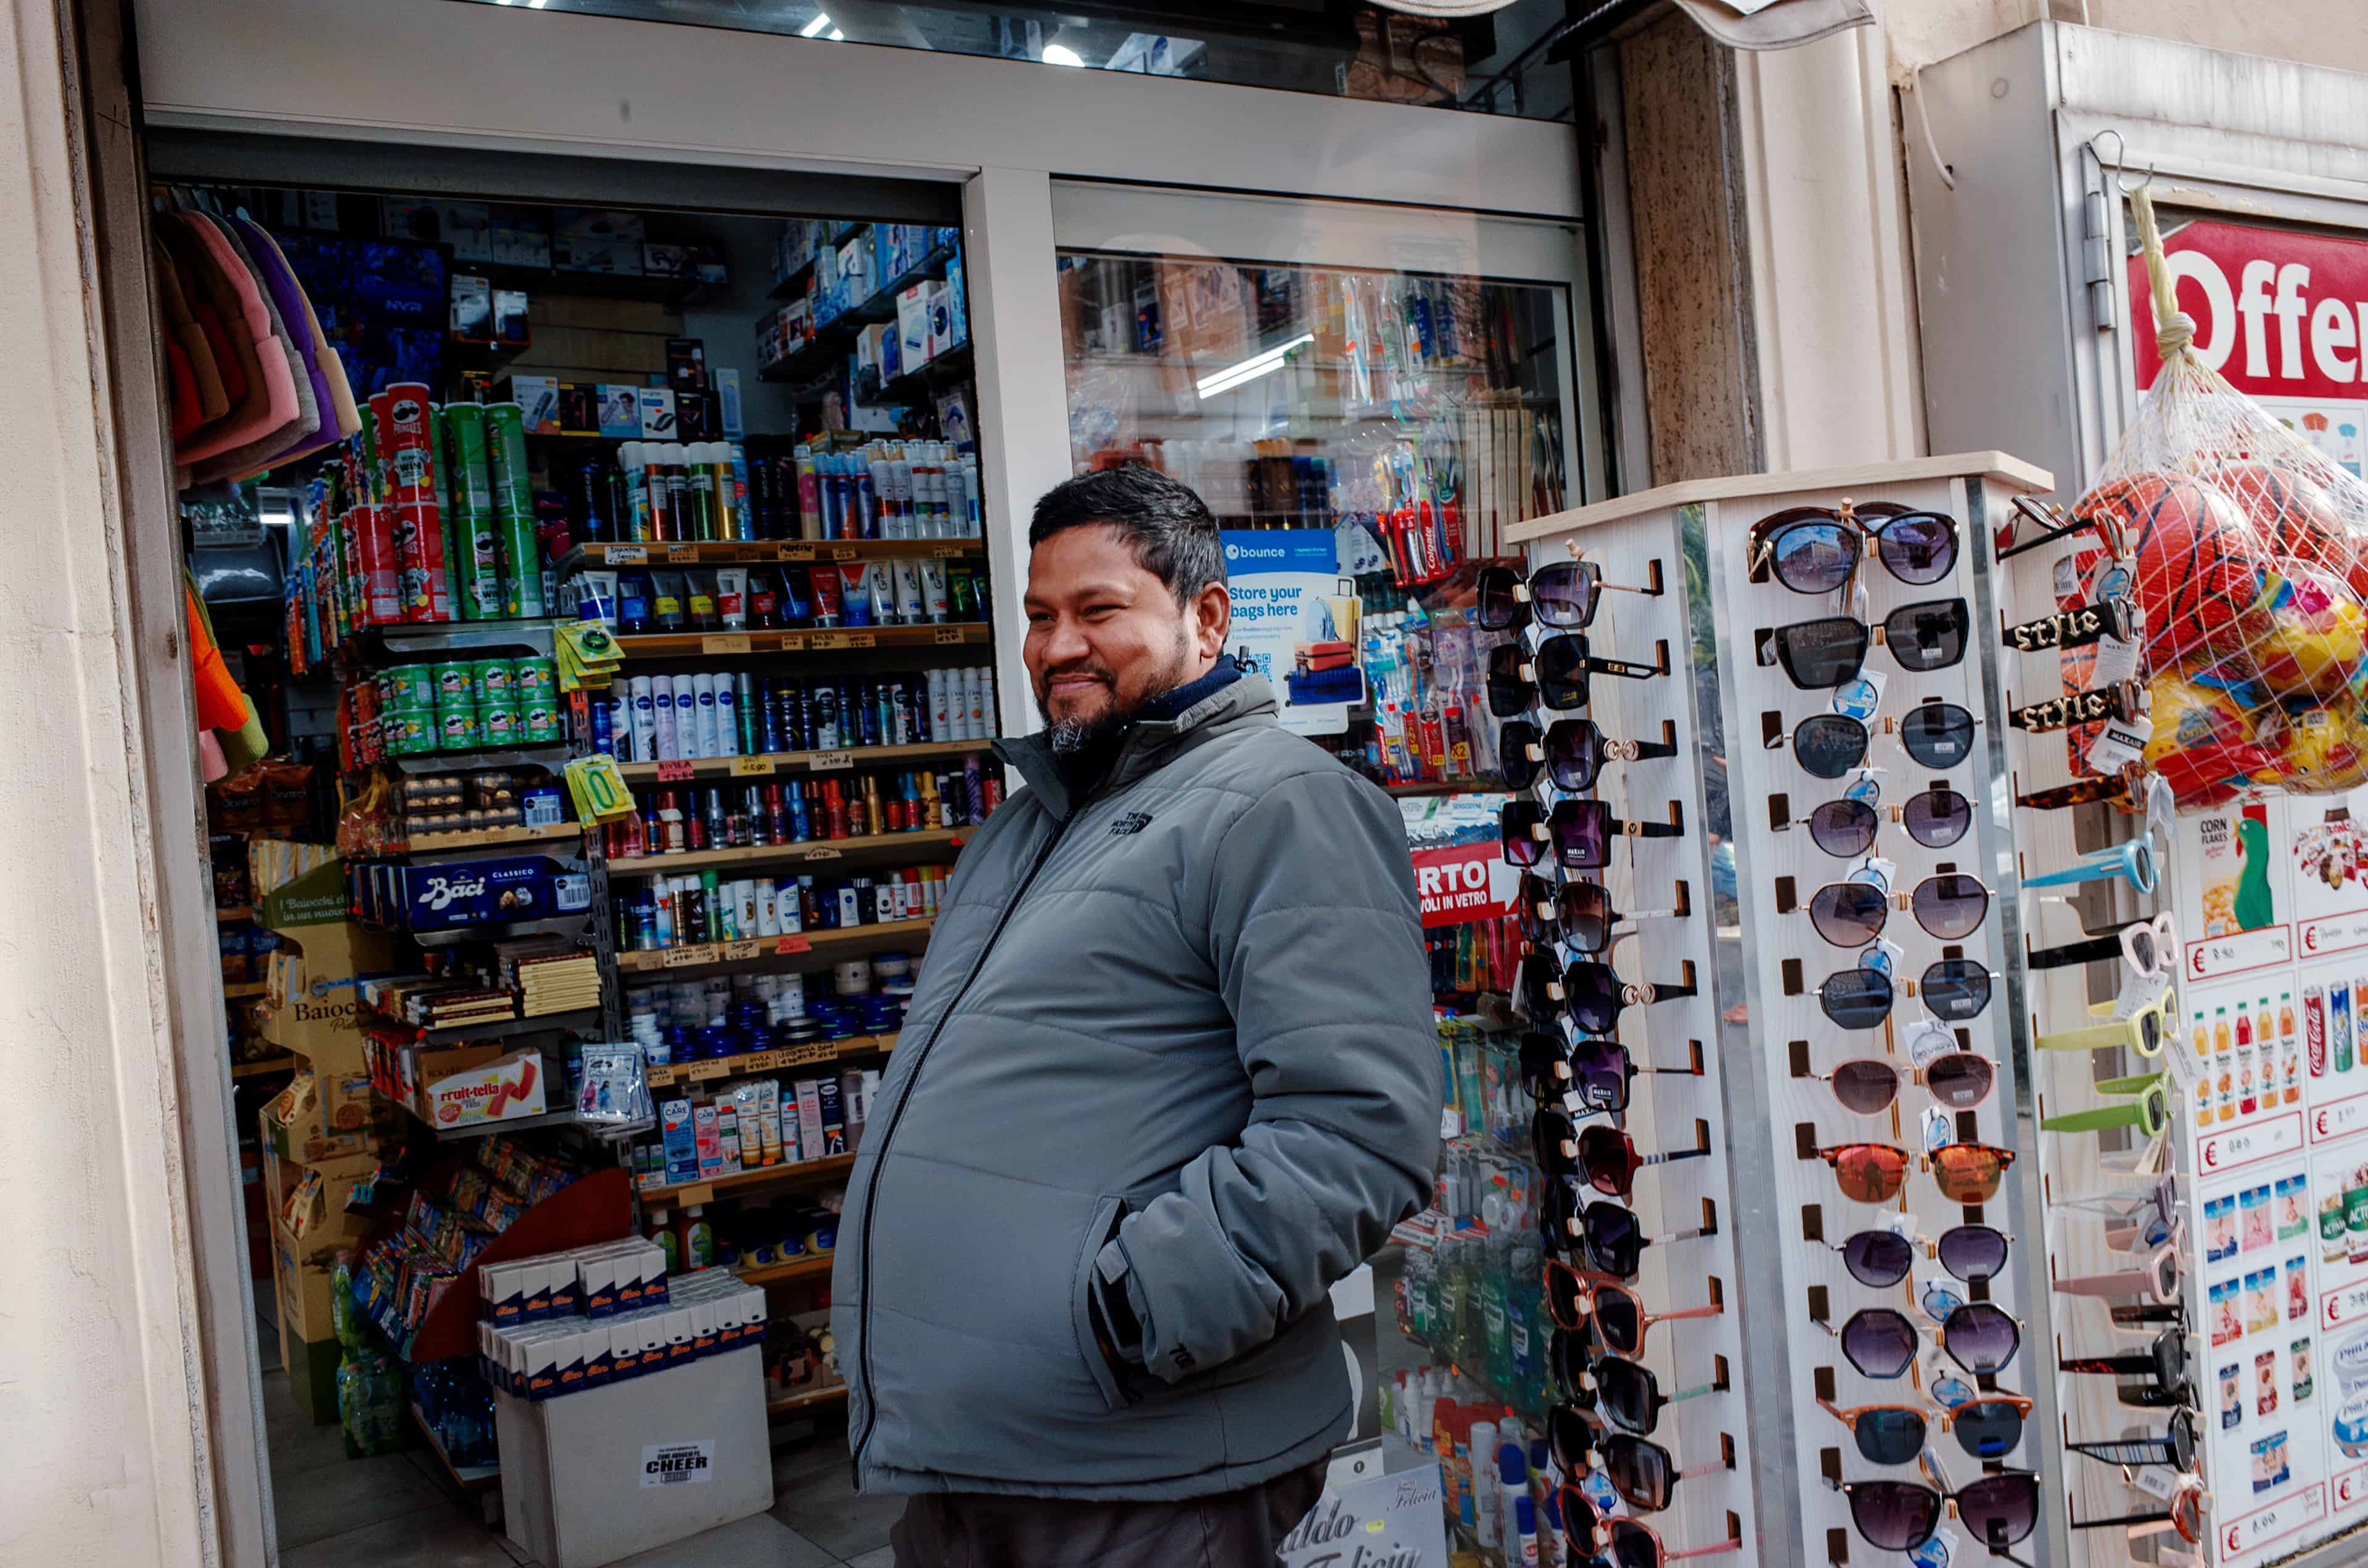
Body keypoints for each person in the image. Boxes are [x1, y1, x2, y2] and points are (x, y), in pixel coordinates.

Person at [831, 464, 1439, 1566]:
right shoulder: (1031, 824)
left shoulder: (1283, 803)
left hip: (1145, 1464)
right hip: (981, 1458)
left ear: (1206, 618)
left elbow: (1358, 1132)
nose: (1057, 646)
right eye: (1039, 616)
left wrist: (1122, 1317)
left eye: (1098, 610)